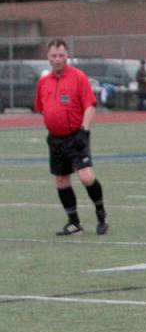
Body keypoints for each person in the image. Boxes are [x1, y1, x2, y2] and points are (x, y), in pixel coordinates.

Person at [34, 38, 109, 236]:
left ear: (67, 56)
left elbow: (90, 105)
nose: (57, 59)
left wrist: (83, 131)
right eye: (53, 56)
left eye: (61, 55)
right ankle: (74, 222)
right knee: (61, 181)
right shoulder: (43, 82)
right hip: (55, 139)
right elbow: (42, 109)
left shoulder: (78, 77)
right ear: (48, 57)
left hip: (76, 136)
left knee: (86, 177)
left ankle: (101, 213)